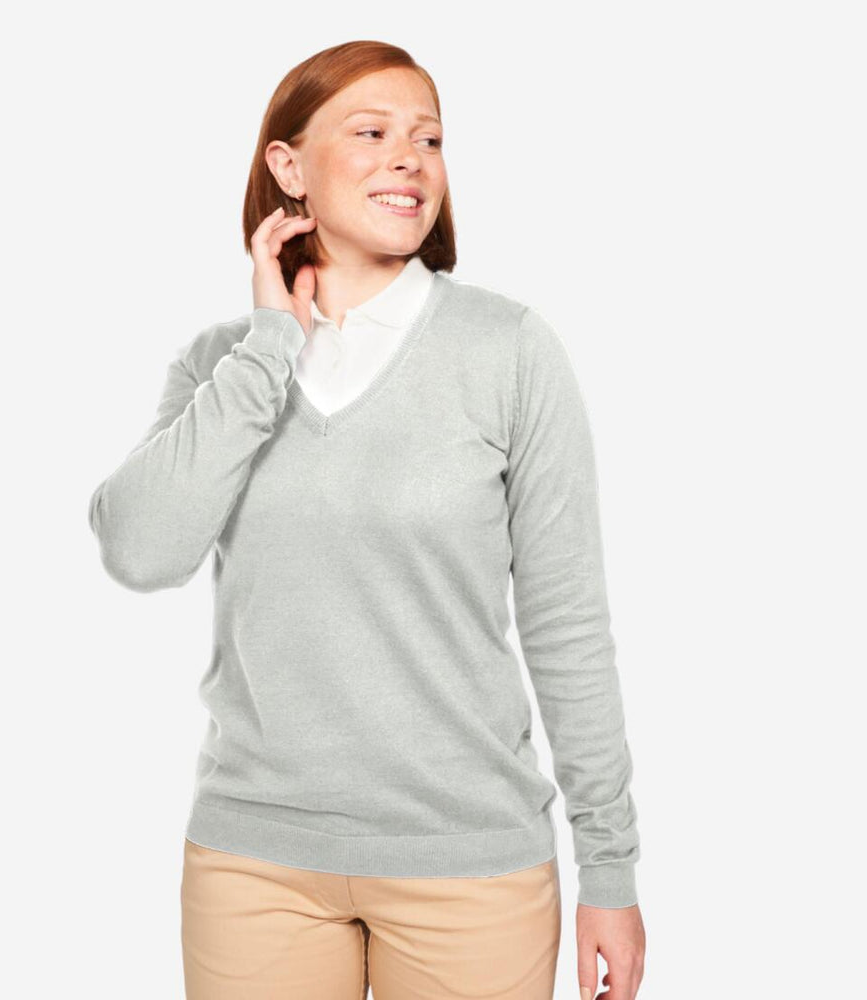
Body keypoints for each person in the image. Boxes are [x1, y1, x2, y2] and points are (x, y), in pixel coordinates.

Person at [87, 39, 646, 1000]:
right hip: (253, 863)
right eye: (372, 133)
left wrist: (610, 866)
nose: (410, 159)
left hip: (469, 866)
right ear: (288, 167)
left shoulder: (509, 351)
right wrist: (269, 345)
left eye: (429, 139)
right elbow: (139, 550)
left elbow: (567, 626)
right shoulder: (223, 363)